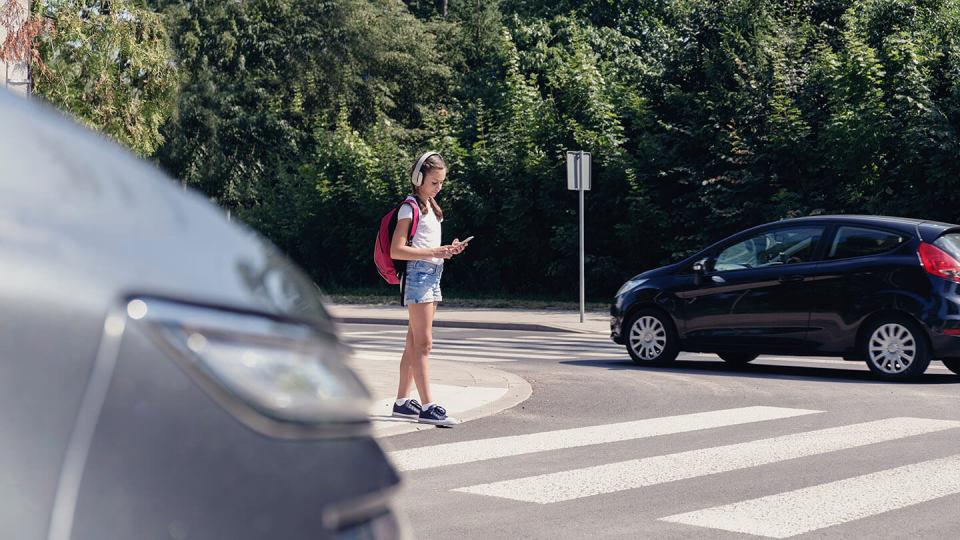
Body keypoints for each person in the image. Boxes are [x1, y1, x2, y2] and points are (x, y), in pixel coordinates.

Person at [389, 151, 468, 426]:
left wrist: (449, 249)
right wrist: (435, 251)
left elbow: (428, 246)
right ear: (418, 178)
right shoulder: (408, 207)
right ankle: (427, 407)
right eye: (434, 182)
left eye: (442, 182)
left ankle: (401, 402)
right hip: (419, 276)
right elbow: (397, 250)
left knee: (413, 343)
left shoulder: (432, 207)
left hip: (433, 274)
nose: (439, 187)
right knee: (424, 344)